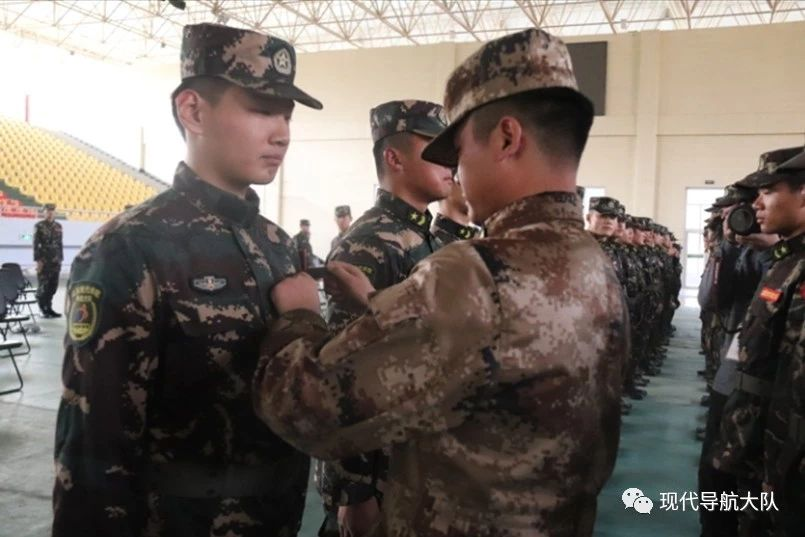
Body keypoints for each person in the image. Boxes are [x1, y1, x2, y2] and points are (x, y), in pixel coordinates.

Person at [254, 28, 628, 536]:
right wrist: (378, 306)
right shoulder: (594, 263)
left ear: (507, 138)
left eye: (459, 152)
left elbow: (304, 404)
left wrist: (299, 316)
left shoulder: (476, 274)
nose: (455, 173)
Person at [51, 23, 322, 537]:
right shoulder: (130, 247)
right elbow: (95, 445)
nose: (283, 133)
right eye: (262, 109)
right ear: (193, 111)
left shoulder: (279, 244)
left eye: (286, 115)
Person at [317, 99, 452, 537]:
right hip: (377, 475)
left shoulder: (425, 238)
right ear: (394, 158)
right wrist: (353, 490)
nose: (451, 161)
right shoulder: (369, 244)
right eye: (436, 148)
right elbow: (342, 373)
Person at [712, 146, 805, 537]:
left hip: (785, 464)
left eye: (768, 191)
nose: (756, 204)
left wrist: (778, 470)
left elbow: (797, 385)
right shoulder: (786, 260)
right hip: (759, 445)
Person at [34, 202, 63, 318]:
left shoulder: (58, 226)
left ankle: (49, 308)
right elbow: (36, 244)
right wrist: (38, 261)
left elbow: (60, 244)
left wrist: (60, 258)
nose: (50, 213)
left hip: (55, 261)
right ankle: (42, 309)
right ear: (44, 213)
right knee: (43, 286)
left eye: (52, 211)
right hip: (44, 261)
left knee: (53, 286)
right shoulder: (39, 226)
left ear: (54, 213)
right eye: (48, 211)